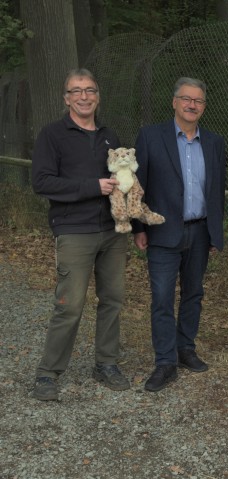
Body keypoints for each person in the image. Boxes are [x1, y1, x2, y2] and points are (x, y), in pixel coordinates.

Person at [31, 68, 130, 401]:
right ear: (66, 98)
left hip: (112, 231)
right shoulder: (53, 135)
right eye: (76, 91)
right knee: (70, 305)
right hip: (74, 230)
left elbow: (120, 177)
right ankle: (48, 373)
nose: (84, 96)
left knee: (113, 300)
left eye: (89, 90)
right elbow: (42, 182)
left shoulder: (109, 135)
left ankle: (106, 363)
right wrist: (93, 187)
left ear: (98, 96)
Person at [133, 77, 225, 392]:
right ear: (174, 102)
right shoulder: (150, 136)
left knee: (193, 294)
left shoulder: (214, 142)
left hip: (199, 231)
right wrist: (139, 227)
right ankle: (165, 362)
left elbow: (215, 191)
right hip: (161, 232)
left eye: (198, 100)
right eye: (186, 98)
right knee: (161, 297)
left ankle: (185, 348)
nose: (191, 105)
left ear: (203, 106)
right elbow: (137, 185)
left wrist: (215, 232)